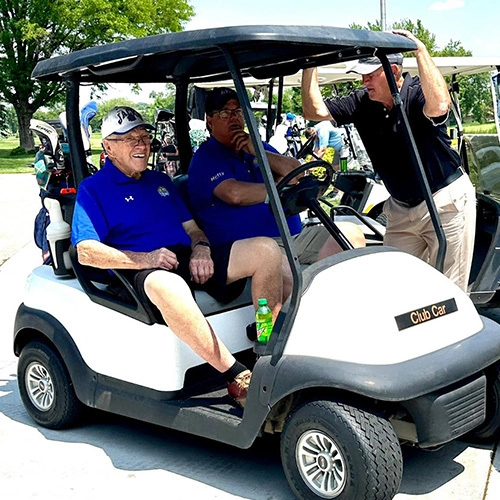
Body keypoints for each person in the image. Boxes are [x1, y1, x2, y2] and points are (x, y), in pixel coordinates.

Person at [71, 106, 286, 408]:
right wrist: (147, 259)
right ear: (108, 146)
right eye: (130, 139)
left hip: (182, 257)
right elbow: (86, 251)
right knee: (167, 285)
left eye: (144, 137)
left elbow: (192, 228)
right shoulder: (93, 189)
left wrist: (202, 248)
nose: (141, 145)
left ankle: (267, 344)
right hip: (137, 269)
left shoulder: (160, 181)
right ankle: (236, 375)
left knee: (265, 250)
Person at [301, 29, 476, 292]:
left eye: (370, 75)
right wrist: (310, 64)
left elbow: (439, 106)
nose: (364, 81)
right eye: (362, 75)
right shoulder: (362, 102)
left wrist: (420, 51)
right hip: (401, 209)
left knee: (449, 290)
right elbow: (313, 111)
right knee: (395, 286)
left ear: (394, 72)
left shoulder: (417, 93)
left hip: (443, 202)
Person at [188, 88, 365, 298]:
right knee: (275, 258)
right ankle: (308, 316)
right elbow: (234, 194)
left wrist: (258, 152)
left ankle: (334, 302)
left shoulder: (256, 147)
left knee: (351, 234)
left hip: (293, 237)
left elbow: (296, 171)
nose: (234, 118)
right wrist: (279, 187)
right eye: (225, 113)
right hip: (253, 248)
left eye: (239, 112)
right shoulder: (206, 158)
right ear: (210, 120)